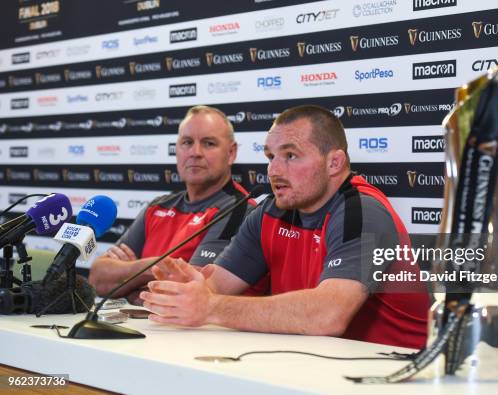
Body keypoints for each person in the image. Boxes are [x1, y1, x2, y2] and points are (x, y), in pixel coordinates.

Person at [140, 105, 430, 348]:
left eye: (290, 156)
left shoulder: (363, 211)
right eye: (270, 156)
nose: (274, 170)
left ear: (334, 163)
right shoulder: (270, 211)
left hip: (390, 374)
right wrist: (188, 289)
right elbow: (213, 285)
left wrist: (210, 307)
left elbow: (328, 314)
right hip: (310, 367)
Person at [89, 105, 255, 304]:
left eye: (209, 143)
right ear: (176, 149)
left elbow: (193, 292)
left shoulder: (241, 209)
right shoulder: (157, 207)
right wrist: (152, 268)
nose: (195, 152)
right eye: (187, 142)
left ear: (231, 153)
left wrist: (129, 284)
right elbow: (97, 279)